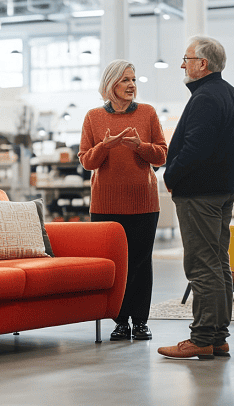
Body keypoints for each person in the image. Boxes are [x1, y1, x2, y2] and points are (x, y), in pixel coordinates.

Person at [157, 36, 234, 360]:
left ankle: (202, 337)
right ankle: (218, 336)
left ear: (202, 64)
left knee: (201, 265)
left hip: (200, 194)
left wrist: (170, 175)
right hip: (221, 191)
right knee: (218, 263)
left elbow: (195, 149)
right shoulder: (231, 95)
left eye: (186, 58)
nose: (183, 64)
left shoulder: (206, 98)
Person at [78, 59, 168, 341]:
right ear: (111, 85)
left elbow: (162, 155)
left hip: (143, 202)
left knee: (141, 263)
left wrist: (140, 147)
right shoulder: (93, 117)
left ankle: (140, 321)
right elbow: (87, 162)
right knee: (115, 265)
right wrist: (105, 146)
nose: (131, 85)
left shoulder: (148, 113)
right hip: (106, 205)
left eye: (134, 80)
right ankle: (120, 322)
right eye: (125, 80)